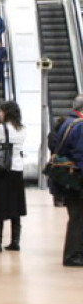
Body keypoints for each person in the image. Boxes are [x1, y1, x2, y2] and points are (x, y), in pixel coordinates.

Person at [0, 101, 28, 252]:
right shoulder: (23, 129)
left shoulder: (1, 129)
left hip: (2, 171)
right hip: (17, 170)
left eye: (1, 111)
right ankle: (15, 242)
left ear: (7, 113)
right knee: (15, 206)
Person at [55, 95, 83, 266]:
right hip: (78, 179)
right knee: (78, 218)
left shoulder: (68, 123)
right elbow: (81, 155)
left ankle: (75, 253)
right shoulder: (79, 126)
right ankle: (73, 255)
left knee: (76, 217)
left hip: (68, 178)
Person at [48, 115, 69, 207]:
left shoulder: (55, 134)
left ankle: (62, 199)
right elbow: (53, 146)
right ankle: (58, 199)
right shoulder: (54, 134)